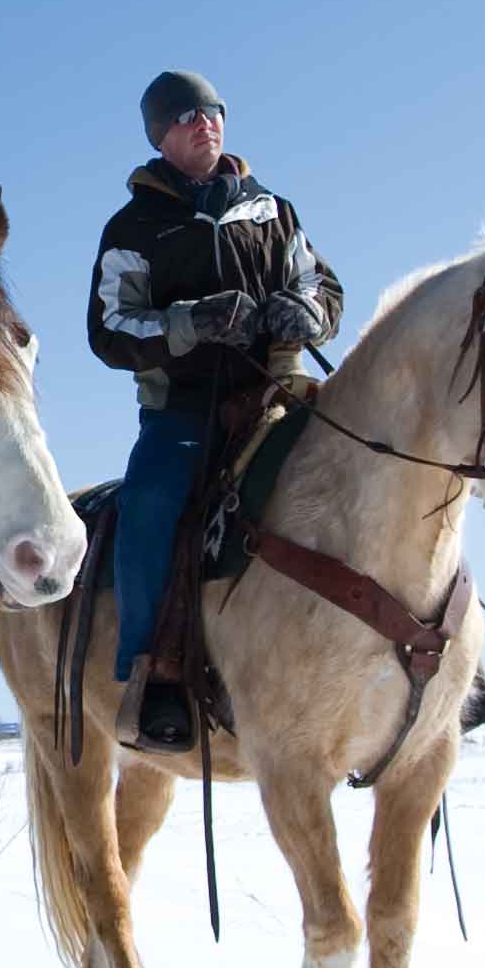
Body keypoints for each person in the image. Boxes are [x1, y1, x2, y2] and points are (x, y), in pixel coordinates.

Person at [85, 68, 342, 751]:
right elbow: (109, 329)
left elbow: (322, 284)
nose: (205, 122)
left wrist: (307, 309)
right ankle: (155, 674)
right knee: (148, 505)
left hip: (278, 397)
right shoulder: (135, 227)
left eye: (212, 111)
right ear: (160, 136)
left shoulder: (272, 210)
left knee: (370, 467)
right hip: (184, 411)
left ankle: (440, 660)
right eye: (186, 115)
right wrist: (191, 322)